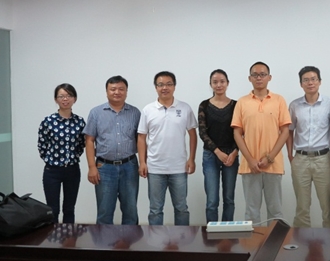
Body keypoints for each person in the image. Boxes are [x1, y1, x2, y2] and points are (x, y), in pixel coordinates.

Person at [231, 61, 291, 224]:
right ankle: (253, 241)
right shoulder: (242, 102)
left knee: (275, 211)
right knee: (252, 212)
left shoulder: (279, 100)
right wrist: (251, 160)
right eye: (255, 75)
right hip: (250, 166)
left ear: (269, 77)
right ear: (249, 78)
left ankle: (275, 241)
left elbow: (285, 132)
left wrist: (269, 157)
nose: (259, 78)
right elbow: (237, 133)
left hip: (273, 164)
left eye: (263, 74)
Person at [138, 71, 198, 226]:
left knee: (181, 208)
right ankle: (156, 240)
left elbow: (193, 134)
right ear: (155, 87)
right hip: (155, 168)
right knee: (155, 210)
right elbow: (141, 137)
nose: (165, 88)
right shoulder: (148, 110)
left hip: (179, 167)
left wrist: (191, 159)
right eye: (160, 84)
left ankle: (182, 240)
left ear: (174, 86)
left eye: (169, 84)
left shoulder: (185, 108)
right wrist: (142, 162)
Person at [84, 75, 141, 225]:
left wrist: (143, 163)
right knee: (104, 211)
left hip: (129, 166)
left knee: (130, 210)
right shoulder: (96, 113)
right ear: (106, 91)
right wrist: (91, 167)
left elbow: (141, 140)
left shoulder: (135, 113)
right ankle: (104, 240)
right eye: (113, 89)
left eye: (121, 89)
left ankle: (130, 240)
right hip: (104, 167)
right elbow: (89, 140)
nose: (117, 92)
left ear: (126, 91)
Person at [286, 66, 330, 228]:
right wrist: (290, 155)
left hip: (323, 159)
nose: (310, 83)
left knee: (328, 205)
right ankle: (300, 240)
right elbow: (289, 131)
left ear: (320, 81)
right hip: (300, 159)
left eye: (313, 79)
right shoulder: (294, 105)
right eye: (306, 80)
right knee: (302, 206)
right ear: (301, 84)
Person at [37, 83, 86, 223]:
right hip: (52, 171)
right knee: (52, 209)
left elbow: (81, 145)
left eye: (69, 96)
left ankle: (68, 236)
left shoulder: (79, 122)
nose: (65, 99)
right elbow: (42, 145)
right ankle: (53, 236)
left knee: (69, 208)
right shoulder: (48, 121)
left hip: (72, 170)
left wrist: (71, 158)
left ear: (75, 98)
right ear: (56, 99)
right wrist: (53, 160)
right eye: (61, 96)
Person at [198, 69, 239, 223]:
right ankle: (213, 232)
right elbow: (202, 133)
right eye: (215, 82)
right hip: (211, 156)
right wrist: (217, 152)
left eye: (222, 81)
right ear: (211, 84)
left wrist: (234, 152)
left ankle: (227, 232)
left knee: (229, 199)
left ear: (228, 83)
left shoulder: (236, 105)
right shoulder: (204, 105)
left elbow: (241, 132)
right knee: (212, 200)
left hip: (231, 155)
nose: (219, 85)